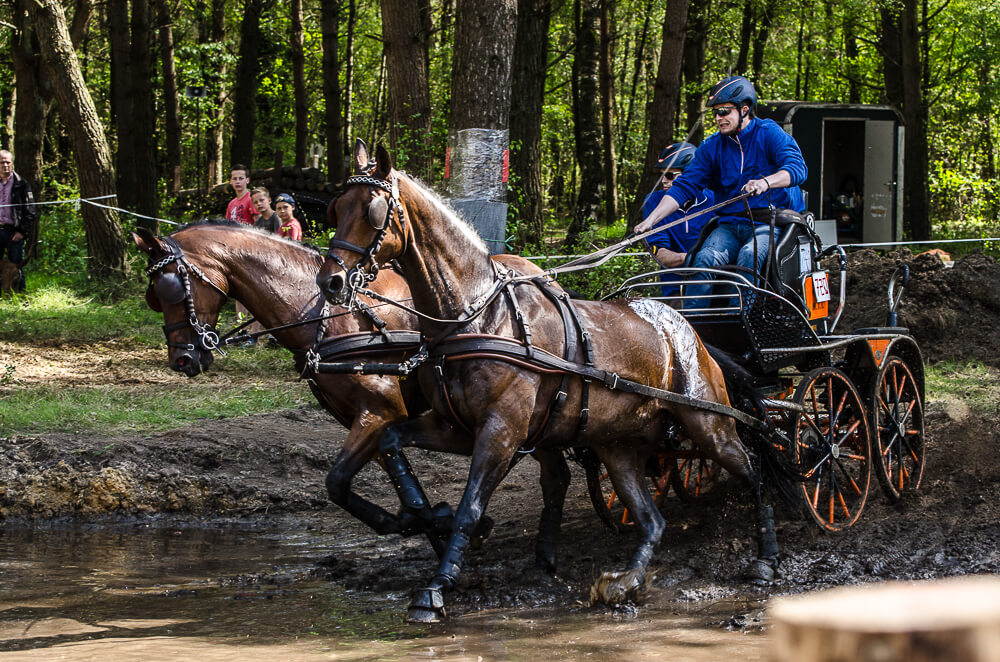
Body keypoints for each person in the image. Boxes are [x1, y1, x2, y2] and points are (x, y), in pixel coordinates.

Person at [635, 75, 807, 310]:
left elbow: (797, 169)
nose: (719, 118)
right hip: (730, 225)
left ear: (744, 109)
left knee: (749, 255)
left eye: (724, 111)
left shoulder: (769, 133)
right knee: (703, 259)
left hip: (772, 222)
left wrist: (765, 182)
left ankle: (745, 321)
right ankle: (695, 328)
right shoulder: (711, 146)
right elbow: (684, 186)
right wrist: (651, 220)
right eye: (716, 113)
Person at [641, 142, 714, 299]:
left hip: (714, 285)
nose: (663, 181)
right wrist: (691, 258)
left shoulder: (714, 199)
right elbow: (660, 253)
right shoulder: (654, 202)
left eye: (669, 175)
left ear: (689, 175)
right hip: (675, 289)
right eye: (661, 175)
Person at [0, 150, 37, 293]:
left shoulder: (21, 184)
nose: (5, 165)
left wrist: (21, 231)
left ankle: (20, 295)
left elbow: (30, 210)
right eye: (2, 162)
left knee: (16, 264)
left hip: (13, 231)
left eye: (8, 162)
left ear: (12, 164)